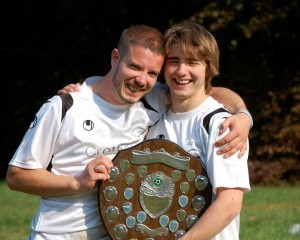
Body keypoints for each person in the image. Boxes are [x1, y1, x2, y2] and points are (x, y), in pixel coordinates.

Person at [6, 24, 251, 240]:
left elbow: (203, 93)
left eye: (152, 73)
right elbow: (16, 176)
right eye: (134, 66)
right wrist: (76, 182)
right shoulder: (70, 106)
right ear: (115, 58)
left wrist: (242, 114)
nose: (142, 80)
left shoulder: (170, 109)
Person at [146, 22, 250, 239]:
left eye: (192, 62)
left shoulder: (222, 125)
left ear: (209, 67)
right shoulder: (150, 111)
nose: (181, 71)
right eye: (173, 61)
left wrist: (243, 114)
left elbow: (229, 203)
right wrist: (82, 91)